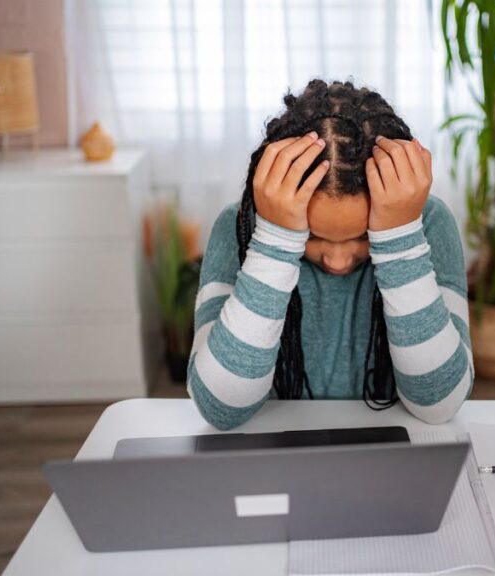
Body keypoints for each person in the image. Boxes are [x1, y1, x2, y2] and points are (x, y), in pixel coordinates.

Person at [188, 79, 473, 430]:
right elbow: (220, 408)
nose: (338, 261)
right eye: (312, 237)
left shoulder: (425, 223)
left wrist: (399, 239)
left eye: (364, 237)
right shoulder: (240, 227)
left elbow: (439, 405)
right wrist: (275, 242)